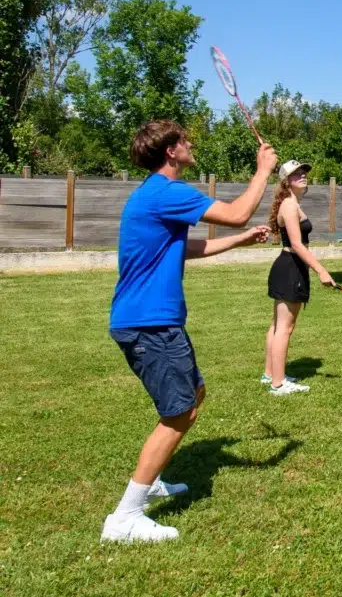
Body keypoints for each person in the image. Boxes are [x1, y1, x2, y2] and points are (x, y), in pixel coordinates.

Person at [102, 120, 277, 544]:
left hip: (152, 321)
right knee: (179, 414)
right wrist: (263, 170)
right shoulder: (167, 192)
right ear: (170, 152)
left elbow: (188, 248)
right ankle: (124, 517)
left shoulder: (152, 196)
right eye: (183, 140)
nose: (190, 143)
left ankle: (155, 477)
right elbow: (236, 214)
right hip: (150, 324)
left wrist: (240, 242)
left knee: (193, 394)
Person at [263, 160, 336, 394]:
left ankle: (270, 374)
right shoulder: (289, 205)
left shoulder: (293, 203)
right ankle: (278, 383)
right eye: (296, 174)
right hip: (290, 267)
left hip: (289, 267)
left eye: (303, 172)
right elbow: (296, 244)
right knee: (285, 327)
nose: (302, 175)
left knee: (277, 326)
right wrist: (321, 270)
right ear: (286, 180)